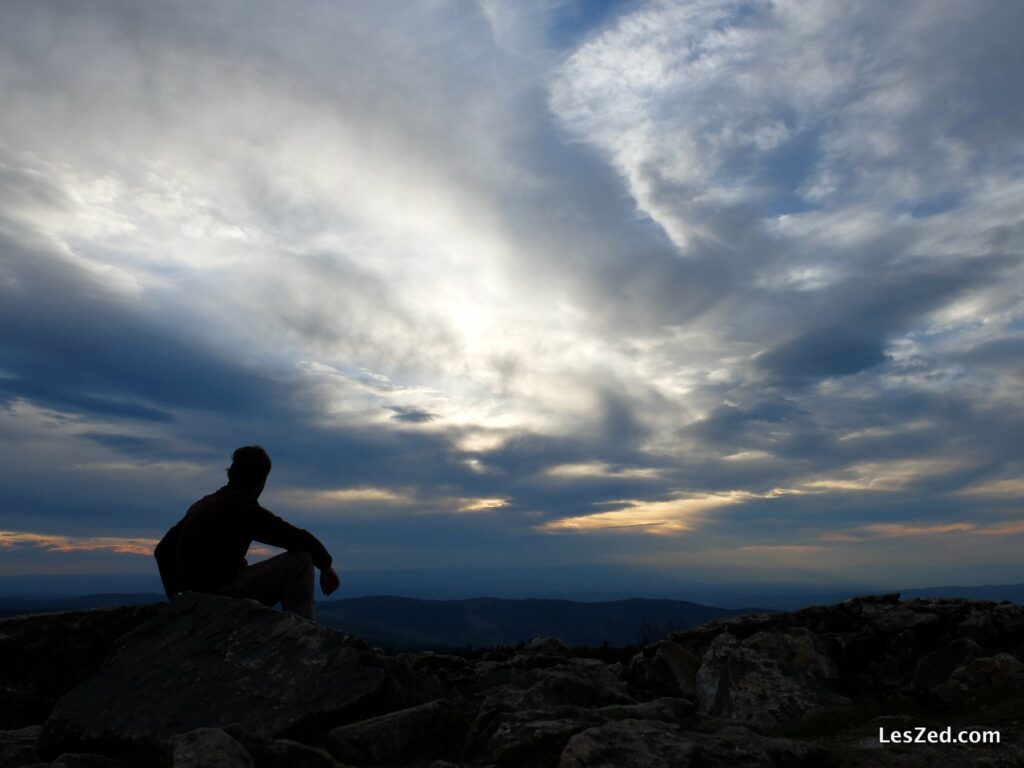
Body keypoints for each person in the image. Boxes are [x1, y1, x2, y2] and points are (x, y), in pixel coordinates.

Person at [154, 445, 340, 621]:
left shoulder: (204, 504)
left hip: (197, 599)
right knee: (300, 560)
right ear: (261, 480)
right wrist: (326, 565)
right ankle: (301, 633)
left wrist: (178, 599)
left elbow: (162, 550)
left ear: (232, 474)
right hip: (221, 597)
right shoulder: (240, 507)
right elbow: (294, 537)